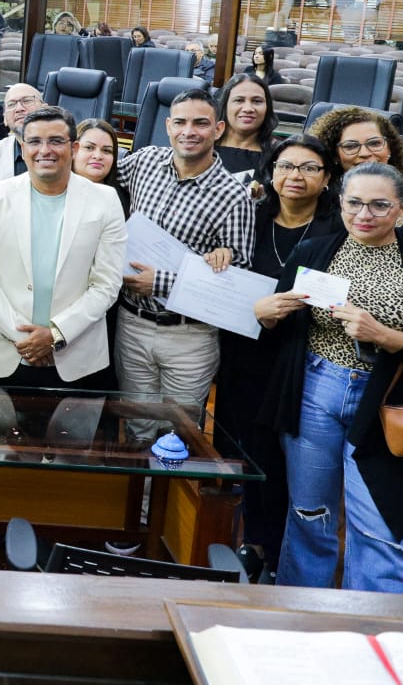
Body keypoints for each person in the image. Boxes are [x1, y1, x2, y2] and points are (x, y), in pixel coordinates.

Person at [254, 162, 403, 594]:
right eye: (354, 203)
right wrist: (265, 315)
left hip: (387, 402)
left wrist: (386, 337)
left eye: (379, 205)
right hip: (315, 388)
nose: (364, 214)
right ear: (340, 203)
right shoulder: (315, 251)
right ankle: (300, 616)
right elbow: (278, 318)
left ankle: (383, 635)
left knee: (379, 523)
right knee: (310, 513)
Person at [221, 135, 338, 582]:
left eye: (309, 168)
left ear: (327, 179)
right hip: (245, 351)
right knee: (250, 453)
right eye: (286, 166)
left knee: (292, 461)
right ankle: (254, 543)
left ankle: (286, 551)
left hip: (302, 359)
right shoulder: (249, 217)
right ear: (270, 172)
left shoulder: (338, 229)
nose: (295, 176)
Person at [117, 89, 255, 421]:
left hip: (189, 336)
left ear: (219, 129)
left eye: (200, 123)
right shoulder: (144, 161)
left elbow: (238, 284)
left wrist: (160, 282)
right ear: (167, 125)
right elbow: (97, 177)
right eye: (180, 122)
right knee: (136, 428)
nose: (188, 132)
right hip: (132, 325)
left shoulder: (234, 195)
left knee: (179, 434)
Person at [0, 107, 126, 390]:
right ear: (23, 147)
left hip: (76, 359)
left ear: (73, 147)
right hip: (3, 354)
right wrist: (25, 339)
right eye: (35, 142)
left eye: (55, 141)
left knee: (71, 436)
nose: (45, 150)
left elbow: (107, 284)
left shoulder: (105, 199)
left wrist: (55, 334)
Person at [306, 106, 403, 246]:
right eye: (350, 146)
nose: (364, 153)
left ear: (390, 148)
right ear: (335, 155)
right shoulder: (316, 197)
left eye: (374, 143)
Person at [214, 72, 278, 174]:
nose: (248, 109)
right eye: (239, 100)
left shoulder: (279, 155)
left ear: (267, 108)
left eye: (257, 101)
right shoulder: (204, 147)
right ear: (225, 105)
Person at [0, 84, 42, 180]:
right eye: (11, 104)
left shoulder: (63, 148)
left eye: (27, 101)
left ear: (45, 108)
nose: (19, 108)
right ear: (4, 118)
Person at [73, 117, 129, 214]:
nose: (98, 156)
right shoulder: (52, 190)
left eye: (106, 151)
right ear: (73, 150)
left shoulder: (123, 199)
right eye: (89, 148)